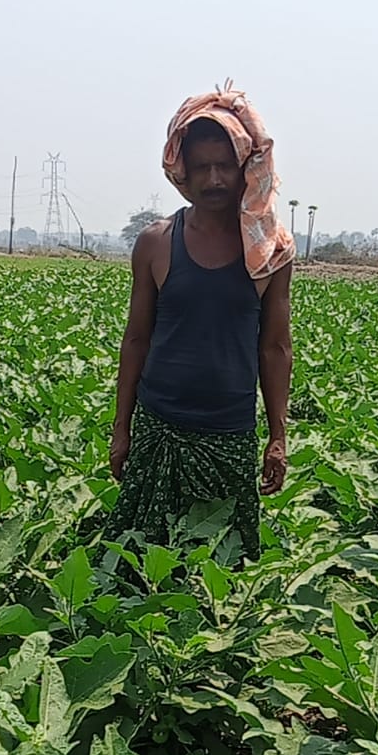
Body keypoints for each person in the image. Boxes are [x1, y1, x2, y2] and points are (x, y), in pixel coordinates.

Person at [109, 86, 295, 560]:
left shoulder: (270, 251)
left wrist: (277, 437)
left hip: (228, 432)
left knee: (223, 563)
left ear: (244, 169)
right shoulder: (156, 243)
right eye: (202, 167)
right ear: (184, 173)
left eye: (225, 166)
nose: (214, 179)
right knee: (139, 561)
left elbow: (275, 348)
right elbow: (137, 339)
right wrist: (122, 428)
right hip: (159, 428)